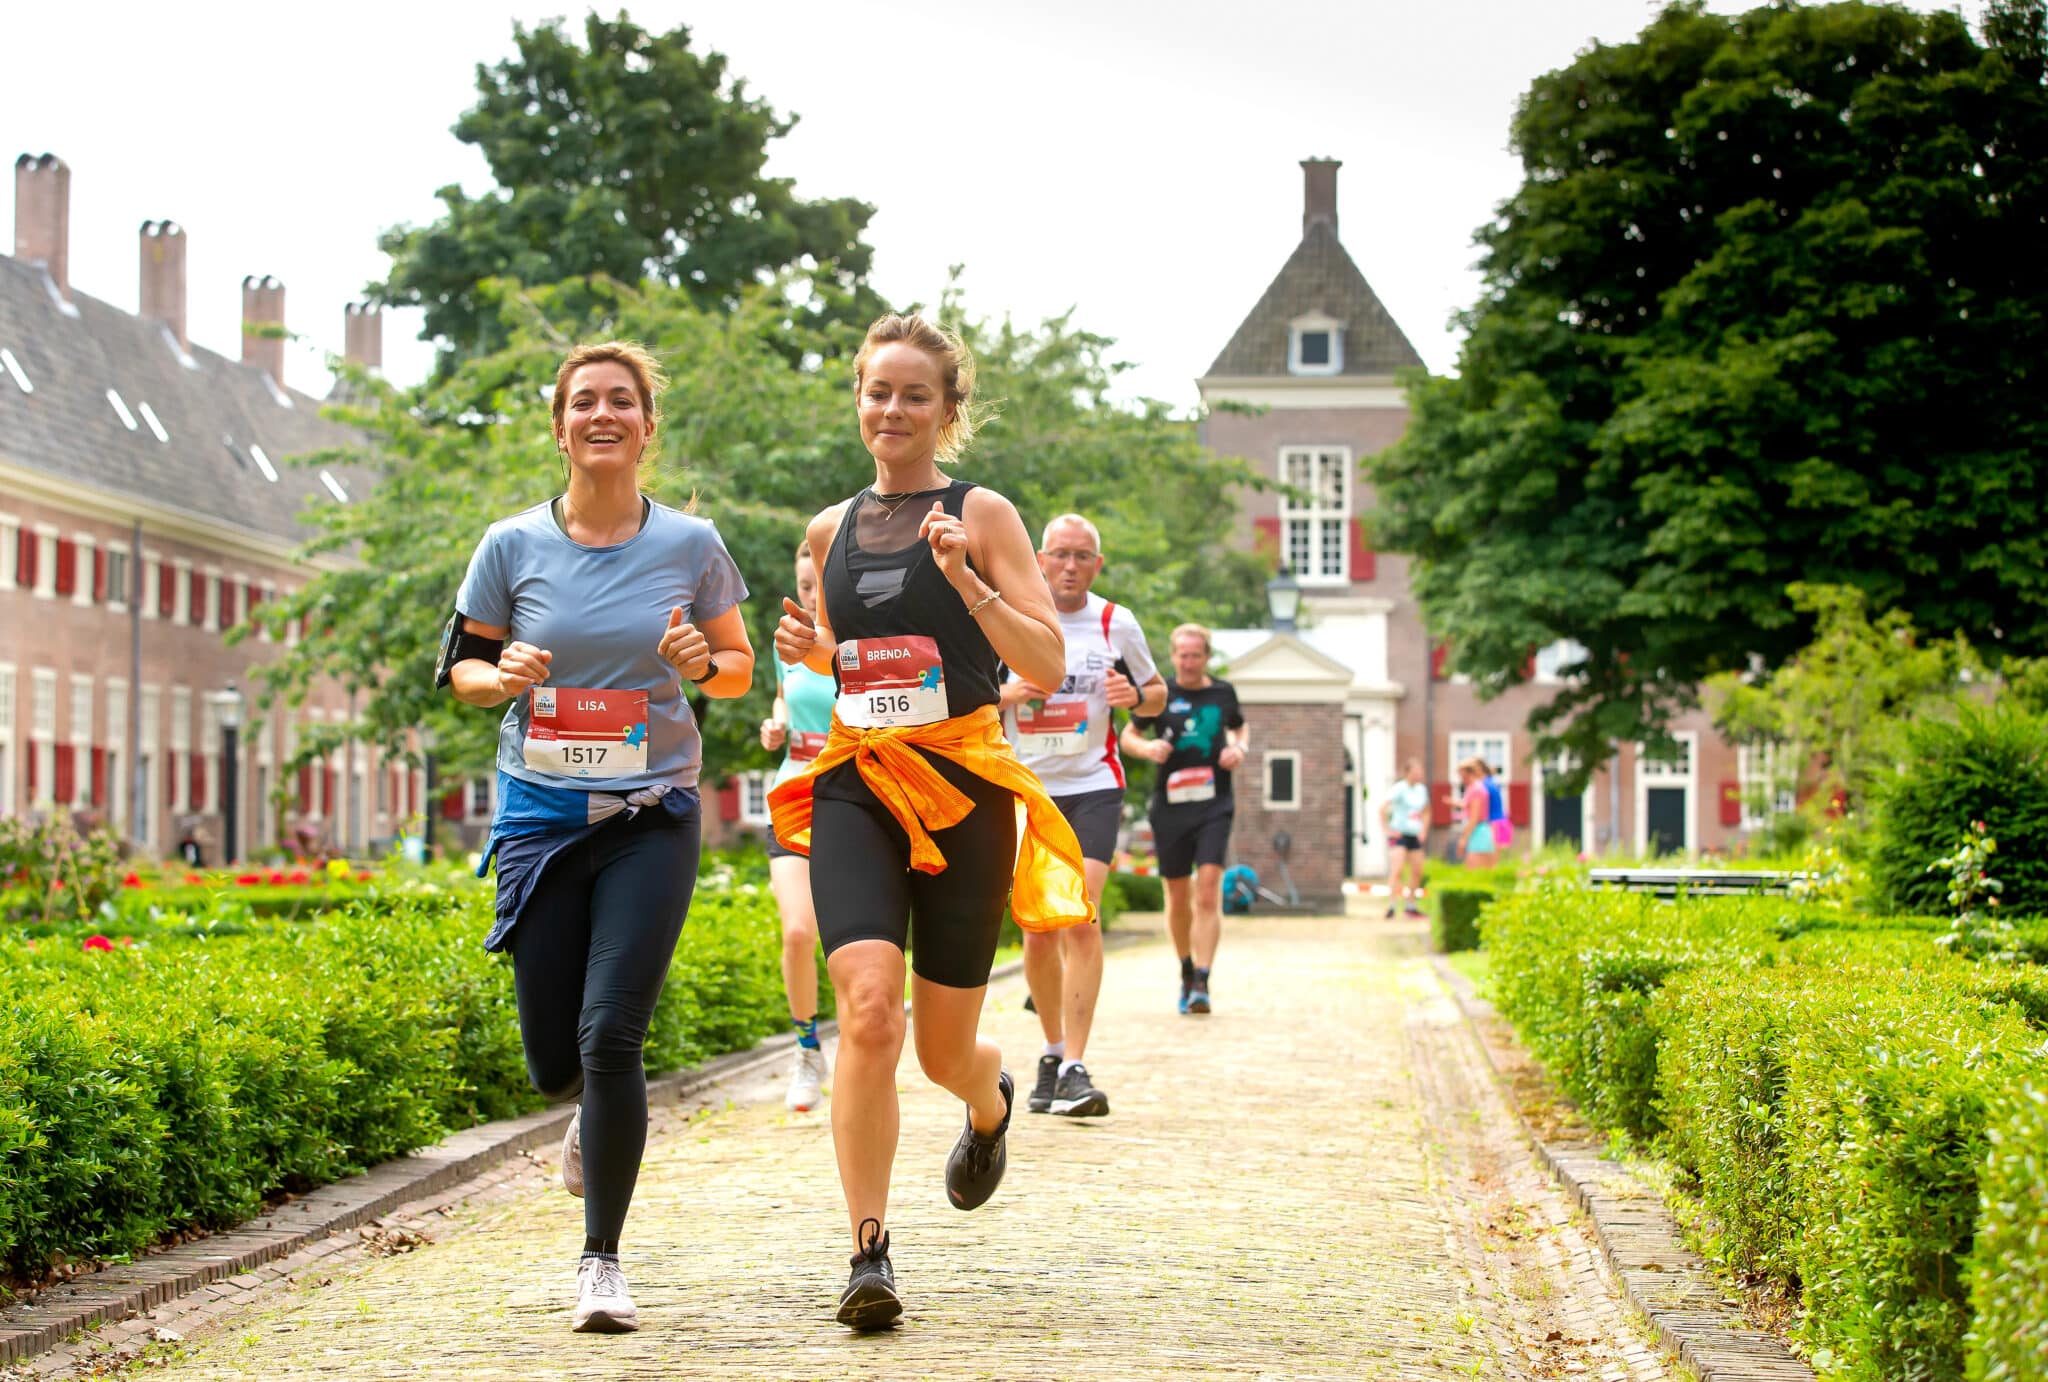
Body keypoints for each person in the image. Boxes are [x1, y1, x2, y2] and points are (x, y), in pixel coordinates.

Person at [767, 313, 1092, 1331]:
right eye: (876, 391)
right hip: (858, 778)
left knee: (942, 1048)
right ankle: (868, 1249)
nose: (891, 409)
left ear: (946, 410)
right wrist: (812, 653)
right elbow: (851, 663)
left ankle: (988, 1095)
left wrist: (966, 582)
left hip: (964, 784)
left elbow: (1041, 665)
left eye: (914, 394)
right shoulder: (827, 530)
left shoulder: (981, 512)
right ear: (856, 401)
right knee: (867, 1003)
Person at [440, 340, 754, 1334]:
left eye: (622, 400)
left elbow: (739, 668)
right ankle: (582, 1113)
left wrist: (703, 657)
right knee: (551, 1060)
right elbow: (461, 669)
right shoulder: (509, 545)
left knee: (611, 1032)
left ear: (647, 425)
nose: (602, 414)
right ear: (559, 423)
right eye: (584, 402)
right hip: (541, 816)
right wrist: (502, 679)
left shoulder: (691, 542)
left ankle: (601, 1260)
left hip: (648, 815)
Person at [999, 513, 1166, 1118]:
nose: (1070, 566)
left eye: (1083, 556)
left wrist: (1136, 699)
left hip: (1094, 785)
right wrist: (1006, 696)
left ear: (1096, 565)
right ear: (1040, 559)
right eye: (1060, 555)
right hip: (1026, 790)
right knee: (1038, 932)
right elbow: (966, 702)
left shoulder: (1114, 621)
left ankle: (1075, 1064)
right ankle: (1050, 1051)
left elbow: (1155, 692)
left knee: (1078, 916)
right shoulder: (1010, 615)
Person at [1120, 624, 1247, 1015]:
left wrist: (1238, 749)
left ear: (1206, 657)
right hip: (1171, 806)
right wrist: (1148, 748)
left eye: (1196, 655)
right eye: (1182, 655)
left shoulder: (1223, 692)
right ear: (1173, 657)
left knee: (1208, 888)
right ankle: (1187, 970)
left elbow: (1239, 727)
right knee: (1177, 896)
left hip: (1215, 802)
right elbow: (1128, 736)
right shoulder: (1161, 694)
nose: (1189, 662)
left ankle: (1204, 983)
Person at [758, 539, 837, 1112]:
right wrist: (775, 723)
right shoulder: (788, 639)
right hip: (792, 797)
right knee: (796, 932)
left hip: (857, 802)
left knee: (853, 949)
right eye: (803, 586)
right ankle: (807, 1049)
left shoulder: (864, 643)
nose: (808, 598)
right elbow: (786, 698)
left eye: (818, 587)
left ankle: (864, 1047)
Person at [1379, 758, 1430, 918]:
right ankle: (1392, 905)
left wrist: (1424, 830)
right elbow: (1382, 808)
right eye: (1415, 771)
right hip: (1399, 834)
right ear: (1408, 772)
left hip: (1414, 834)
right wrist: (1388, 830)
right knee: (1398, 869)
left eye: (1420, 771)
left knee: (1417, 870)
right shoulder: (1399, 788)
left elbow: (1427, 811)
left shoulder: (1421, 790)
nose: (1419, 774)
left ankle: (1410, 905)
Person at [1456, 758, 1498, 869]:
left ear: (1469, 773)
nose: (1461, 779)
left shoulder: (1476, 790)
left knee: (1474, 870)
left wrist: (1463, 839)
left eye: (1462, 776)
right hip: (1479, 830)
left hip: (1479, 832)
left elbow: (1474, 818)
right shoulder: (1476, 788)